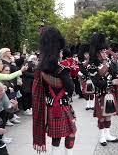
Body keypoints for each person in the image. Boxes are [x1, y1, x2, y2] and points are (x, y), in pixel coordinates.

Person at [32, 27, 76, 155]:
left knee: (56, 138)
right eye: (60, 51)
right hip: (62, 106)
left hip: (50, 107)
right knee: (71, 133)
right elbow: (71, 89)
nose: (62, 53)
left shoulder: (41, 70)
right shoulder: (62, 70)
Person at [88, 33, 118, 146]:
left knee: (109, 114)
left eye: (104, 51)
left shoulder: (107, 62)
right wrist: (111, 82)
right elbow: (96, 82)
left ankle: (108, 134)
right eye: (102, 51)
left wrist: (112, 66)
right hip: (101, 93)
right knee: (101, 116)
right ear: (97, 53)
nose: (104, 53)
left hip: (110, 92)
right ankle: (102, 136)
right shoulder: (92, 65)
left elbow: (114, 73)